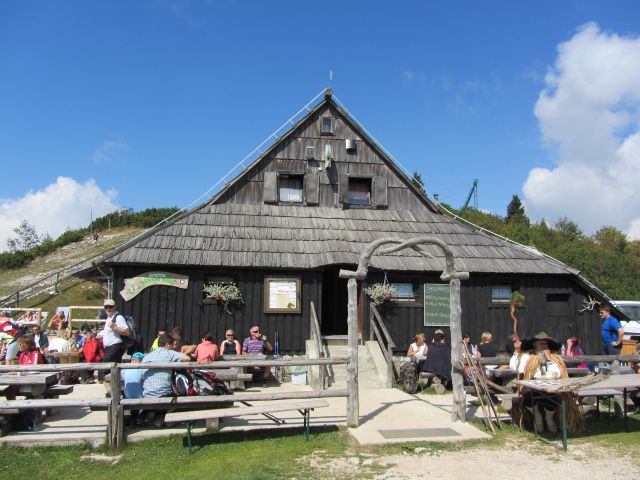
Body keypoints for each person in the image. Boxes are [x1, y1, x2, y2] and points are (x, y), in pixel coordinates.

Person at [509, 332, 580, 433]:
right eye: (541, 343)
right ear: (534, 344)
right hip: (532, 388)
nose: (544, 345)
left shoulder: (554, 357)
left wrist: (549, 359)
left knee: (553, 395)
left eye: (545, 343)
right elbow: (515, 368)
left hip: (550, 387)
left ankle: (549, 418)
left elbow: (557, 374)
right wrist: (517, 352)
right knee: (527, 394)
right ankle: (537, 417)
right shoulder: (528, 357)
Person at [141, 335, 191, 427]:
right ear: (167, 345)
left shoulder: (146, 357)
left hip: (147, 394)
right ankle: (165, 420)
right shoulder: (169, 353)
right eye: (172, 345)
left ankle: (157, 417)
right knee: (182, 399)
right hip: (164, 394)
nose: (172, 347)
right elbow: (187, 358)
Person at [98, 299, 130, 382]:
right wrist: (100, 336)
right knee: (112, 369)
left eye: (111, 307)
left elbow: (127, 332)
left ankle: (102, 384)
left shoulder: (118, 317)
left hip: (116, 346)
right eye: (106, 307)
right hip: (110, 347)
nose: (108, 309)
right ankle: (111, 391)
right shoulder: (109, 317)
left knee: (103, 368)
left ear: (115, 307)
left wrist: (114, 327)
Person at [123, 352, 145, 426]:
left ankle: (133, 420)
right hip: (140, 396)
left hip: (128, 395)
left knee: (132, 391)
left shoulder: (125, 369)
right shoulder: (142, 370)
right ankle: (139, 418)